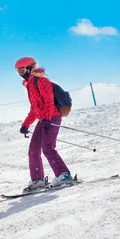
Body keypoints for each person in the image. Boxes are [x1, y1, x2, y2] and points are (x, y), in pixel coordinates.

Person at [15, 56, 73, 191]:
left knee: (48, 148)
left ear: (30, 68)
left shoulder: (41, 81)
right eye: (18, 72)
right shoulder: (30, 84)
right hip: (44, 120)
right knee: (33, 149)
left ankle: (64, 175)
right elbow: (35, 108)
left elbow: (49, 101)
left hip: (52, 118)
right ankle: (38, 180)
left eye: (22, 70)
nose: (20, 75)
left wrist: (47, 118)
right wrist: (26, 125)